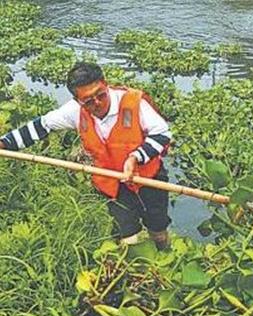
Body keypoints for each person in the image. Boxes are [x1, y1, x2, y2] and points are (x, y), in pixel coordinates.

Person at [0, 62, 172, 250]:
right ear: (77, 100)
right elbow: (41, 126)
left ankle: (164, 254)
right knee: (129, 235)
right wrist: (5, 143)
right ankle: (135, 267)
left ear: (105, 85)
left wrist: (135, 157)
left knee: (158, 230)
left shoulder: (133, 102)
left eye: (100, 95)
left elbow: (162, 134)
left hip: (149, 178)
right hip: (112, 183)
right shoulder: (75, 111)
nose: (97, 103)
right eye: (88, 101)